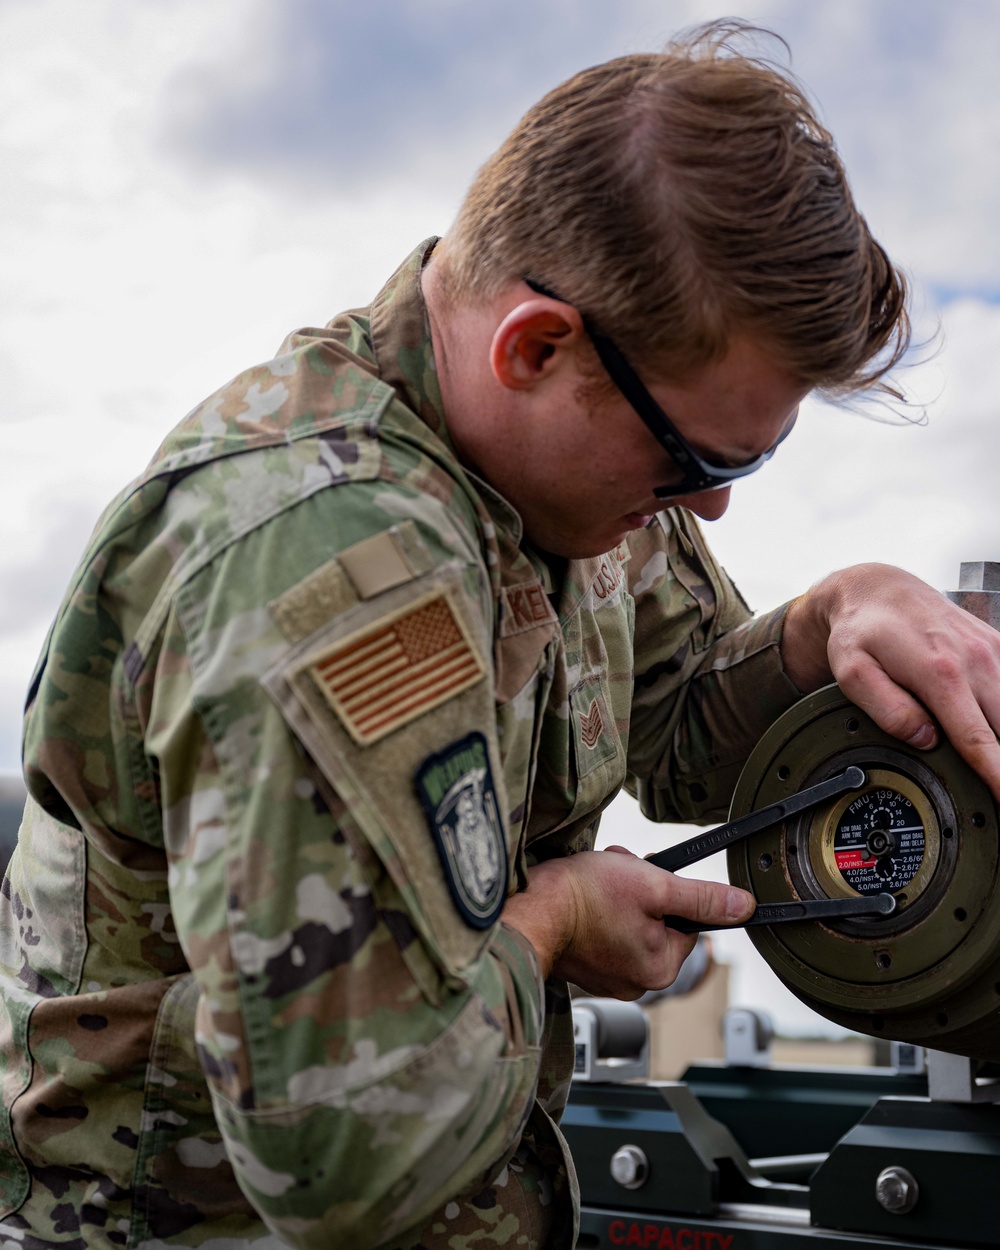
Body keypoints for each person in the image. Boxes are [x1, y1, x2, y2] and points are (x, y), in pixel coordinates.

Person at [3, 22, 1000, 1250]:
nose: (713, 504)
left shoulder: (577, 488)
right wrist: (554, 922)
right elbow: (342, 1162)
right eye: (696, 457)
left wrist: (821, 621)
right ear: (535, 347)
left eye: (753, 458)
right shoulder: (321, 564)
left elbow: (689, 742)